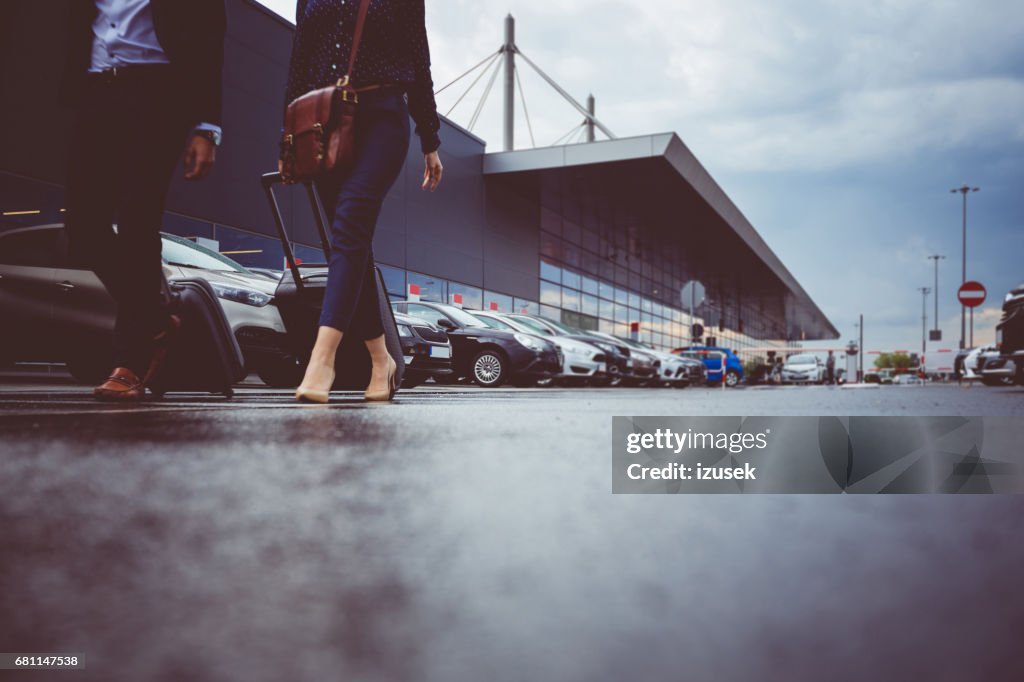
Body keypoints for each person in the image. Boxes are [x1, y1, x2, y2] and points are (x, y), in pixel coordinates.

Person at [62, 0, 227, 401]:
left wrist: (206, 126)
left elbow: (209, 36)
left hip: (158, 91)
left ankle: (129, 363)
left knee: (139, 221)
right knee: (82, 227)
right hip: (96, 88)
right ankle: (156, 318)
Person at [281, 0, 444, 403]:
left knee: (351, 222)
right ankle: (380, 359)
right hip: (325, 124)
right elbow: (299, 62)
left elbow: (418, 60)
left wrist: (430, 138)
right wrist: (288, 140)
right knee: (349, 243)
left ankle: (322, 359)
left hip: (383, 119)